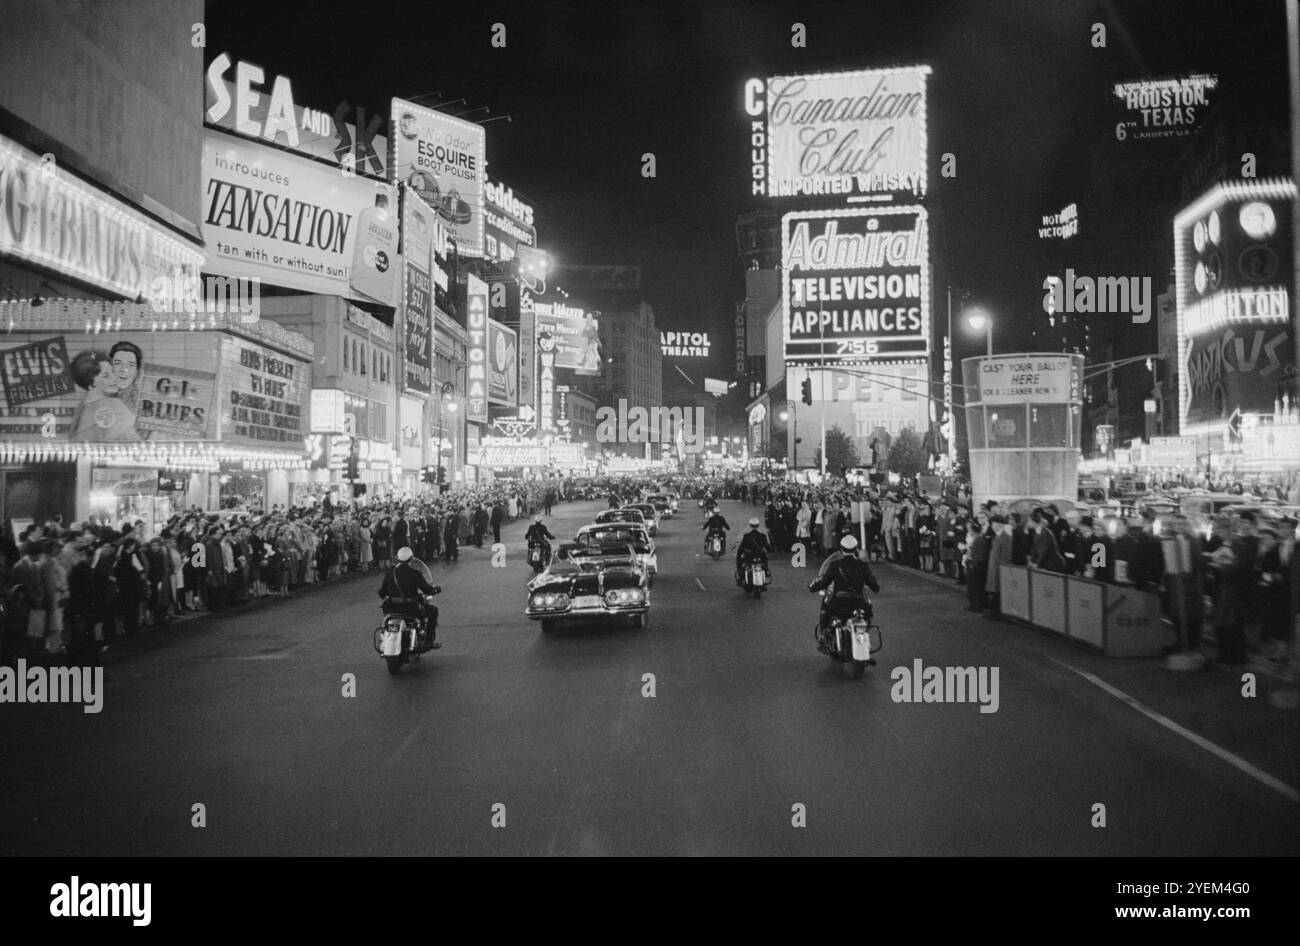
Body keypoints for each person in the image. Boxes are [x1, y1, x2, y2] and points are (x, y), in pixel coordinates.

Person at [808, 535, 880, 657]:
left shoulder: (836, 565)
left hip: (839, 604)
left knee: (825, 605)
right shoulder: (863, 565)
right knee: (868, 610)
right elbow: (875, 587)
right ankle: (865, 635)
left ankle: (824, 636)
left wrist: (812, 587)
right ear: (856, 549)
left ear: (841, 549)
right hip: (859, 604)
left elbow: (823, 582)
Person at [378, 547, 442, 649]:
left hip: (391, 608)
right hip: (410, 608)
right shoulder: (415, 574)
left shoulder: (390, 573)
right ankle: (428, 642)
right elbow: (427, 589)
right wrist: (435, 589)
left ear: (397, 558)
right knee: (433, 611)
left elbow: (381, 593)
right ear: (411, 559)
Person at [735, 517, 773, 585]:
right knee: (765, 562)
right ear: (758, 525)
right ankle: (766, 572)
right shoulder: (762, 536)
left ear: (750, 525)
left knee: (740, 562)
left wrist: (739, 554)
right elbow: (769, 548)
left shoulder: (746, 536)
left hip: (749, 556)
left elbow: (741, 548)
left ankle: (740, 574)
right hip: (760, 555)